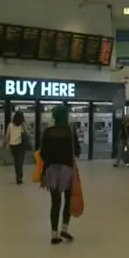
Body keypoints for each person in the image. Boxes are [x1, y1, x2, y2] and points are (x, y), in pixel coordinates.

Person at [40, 105, 81, 245]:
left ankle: (54, 234)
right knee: (68, 200)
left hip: (51, 170)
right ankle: (64, 227)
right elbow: (77, 151)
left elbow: (43, 154)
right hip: (67, 170)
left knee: (55, 202)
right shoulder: (70, 131)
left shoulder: (48, 132)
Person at [6, 111, 28, 184]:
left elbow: (7, 135)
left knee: (16, 161)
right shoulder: (23, 125)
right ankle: (19, 177)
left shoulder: (10, 125)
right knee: (20, 162)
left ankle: (17, 175)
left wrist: (6, 143)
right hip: (20, 146)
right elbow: (26, 134)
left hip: (12, 146)